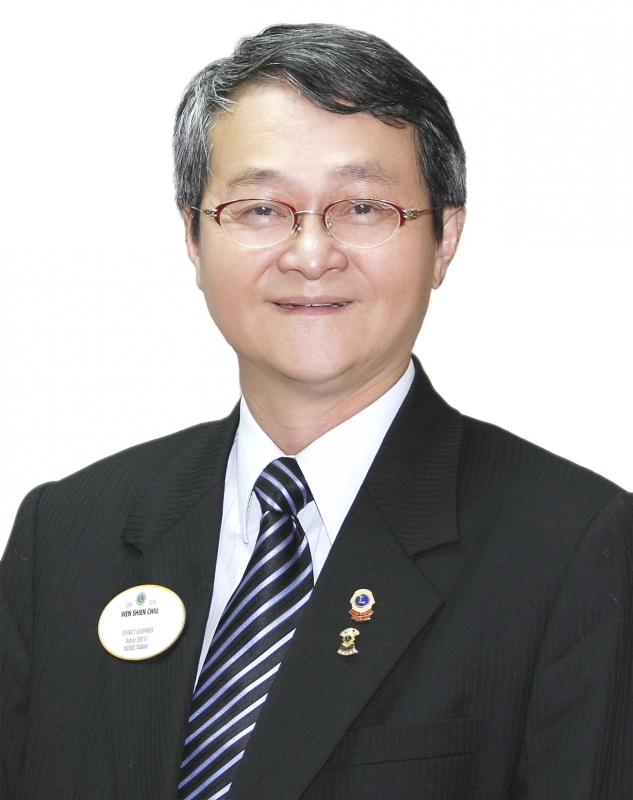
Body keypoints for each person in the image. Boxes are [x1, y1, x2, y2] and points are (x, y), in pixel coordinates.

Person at [1, 22, 631, 800]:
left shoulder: (573, 549)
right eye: (260, 209)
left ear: (444, 238)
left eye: (362, 207)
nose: (309, 254)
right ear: (192, 237)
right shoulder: (65, 536)